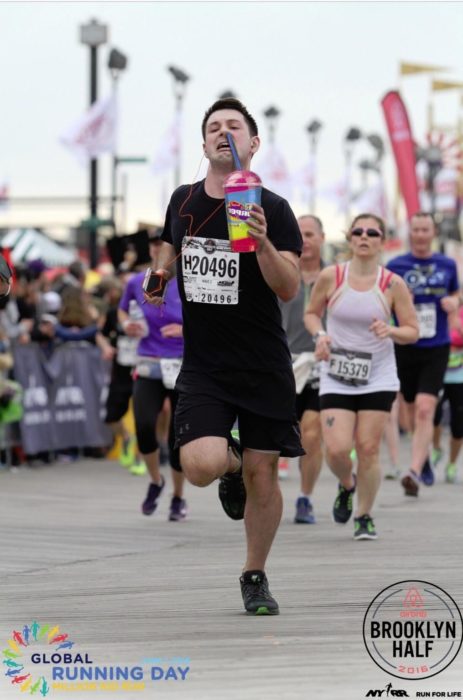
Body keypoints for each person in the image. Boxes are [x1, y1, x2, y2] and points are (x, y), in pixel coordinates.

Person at [145, 97, 303, 615]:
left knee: (265, 474)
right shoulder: (184, 198)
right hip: (207, 363)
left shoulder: (274, 208)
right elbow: (172, 242)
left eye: (234, 126)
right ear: (205, 143)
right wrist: (163, 273)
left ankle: (254, 573)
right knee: (200, 465)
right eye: (214, 127)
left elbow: (288, 288)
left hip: (262, 362)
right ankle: (229, 465)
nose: (223, 132)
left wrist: (261, 245)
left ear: (253, 144)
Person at [306, 213, 418, 540]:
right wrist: (321, 337)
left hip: (378, 374)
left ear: (382, 240)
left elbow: (412, 331)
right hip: (337, 372)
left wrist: (391, 329)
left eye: (372, 232)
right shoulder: (332, 276)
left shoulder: (392, 284)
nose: (364, 237)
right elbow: (312, 314)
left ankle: (364, 515)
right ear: (350, 238)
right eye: (358, 231)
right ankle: (347, 484)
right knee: (337, 449)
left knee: (368, 448)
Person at [387, 212, 460, 496]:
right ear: (410, 233)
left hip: (436, 346)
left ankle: (414, 471)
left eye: (424, 229)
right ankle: (424, 456)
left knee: (426, 409)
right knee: (408, 408)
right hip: (405, 345)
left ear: (432, 233)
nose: (419, 234)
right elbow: (385, 300)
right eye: (415, 229)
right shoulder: (396, 266)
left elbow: (456, 293)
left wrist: (453, 302)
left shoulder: (447, 264)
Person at [120, 228, 187, 522]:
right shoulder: (138, 281)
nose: (160, 249)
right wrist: (126, 326)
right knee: (145, 424)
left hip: (183, 362)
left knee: (178, 434)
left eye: (165, 245)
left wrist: (187, 329)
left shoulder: (188, 283)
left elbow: (211, 321)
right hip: (148, 361)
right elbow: (123, 312)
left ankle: (178, 496)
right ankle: (155, 480)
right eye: (156, 245)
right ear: (150, 251)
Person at [280, 215, 325, 524]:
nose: (305, 239)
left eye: (310, 233)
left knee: (311, 433)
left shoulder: (334, 276)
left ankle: (305, 498)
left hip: (323, 365)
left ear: (322, 237)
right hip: (283, 364)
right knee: (273, 439)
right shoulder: (281, 273)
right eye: (300, 233)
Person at [431, 302, 463, 483]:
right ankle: (436, 448)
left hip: (459, 378)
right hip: (438, 375)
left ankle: (451, 464)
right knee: (433, 416)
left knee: (458, 426)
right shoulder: (438, 313)